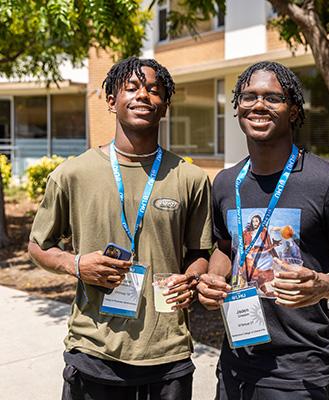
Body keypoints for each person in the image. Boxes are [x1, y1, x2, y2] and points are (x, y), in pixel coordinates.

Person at [28, 56, 212, 400]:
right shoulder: (73, 174)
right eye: (132, 88)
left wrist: (192, 278)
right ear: (112, 101)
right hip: (94, 349)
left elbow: (199, 253)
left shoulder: (190, 178)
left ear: (165, 106)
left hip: (167, 352)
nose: (143, 96)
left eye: (154, 91)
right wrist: (77, 265)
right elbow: (39, 245)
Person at [197, 61, 329, 400]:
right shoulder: (224, 183)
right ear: (237, 108)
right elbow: (224, 248)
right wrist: (213, 280)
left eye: (272, 98)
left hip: (300, 373)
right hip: (235, 364)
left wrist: (328, 284)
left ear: (293, 110)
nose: (259, 105)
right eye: (248, 96)